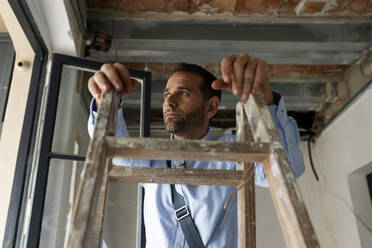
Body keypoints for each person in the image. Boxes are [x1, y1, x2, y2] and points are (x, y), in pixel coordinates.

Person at [87, 53, 305, 248]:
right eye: (166, 95)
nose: (169, 102)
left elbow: (285, 171)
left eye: (182, 93)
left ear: (210, 107)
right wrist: (105, 99)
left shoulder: (234, 153)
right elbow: (110, 146)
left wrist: (265, 98)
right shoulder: (150, 157)